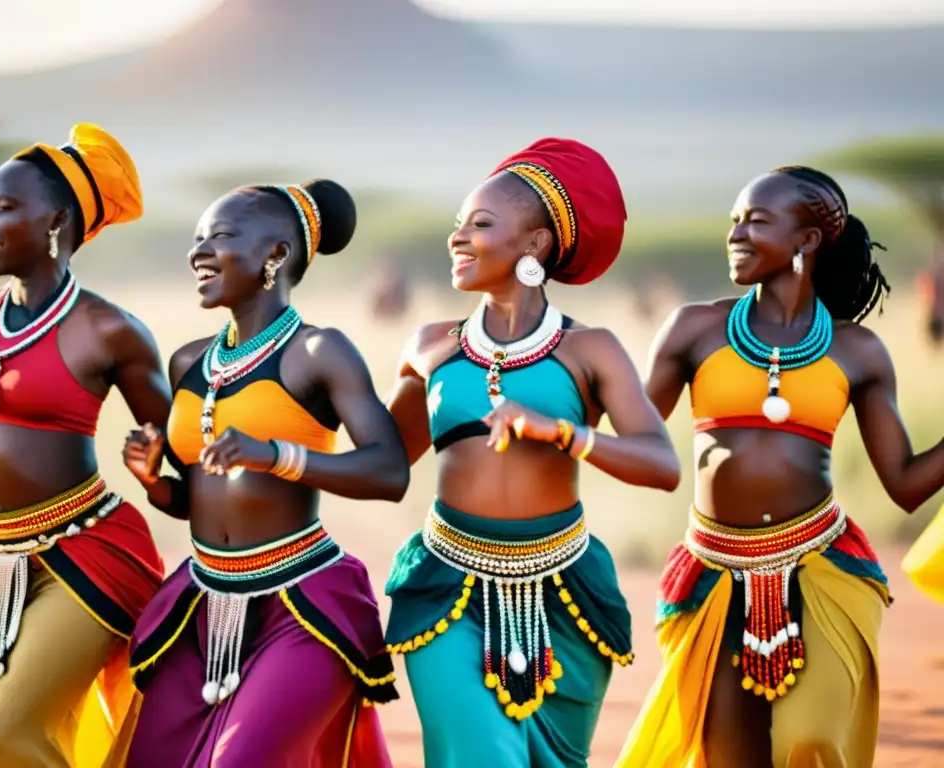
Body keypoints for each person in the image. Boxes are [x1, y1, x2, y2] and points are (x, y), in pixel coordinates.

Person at [615, 166, 944, 768]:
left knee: (808, 742)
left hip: (824, 570)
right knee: (727, 759)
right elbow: (635, 433)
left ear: (807, 240)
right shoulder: (695, 329)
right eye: (734, 221)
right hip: (712, 575)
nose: (736, 234)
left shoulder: (858, 350)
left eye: (756, 222)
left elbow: (905, 483)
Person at [383, 137, 681, 768]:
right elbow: (383, 465)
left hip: (567, 595)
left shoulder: (590, 350)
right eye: (457, 226)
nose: (457, 239)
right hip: (447, 592)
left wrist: (565, 433)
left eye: (480, 224)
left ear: (535, 246)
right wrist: (279, 450)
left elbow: (662, 464)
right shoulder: (430, 346)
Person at [116, 179, 408, 767]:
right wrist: (154, 481)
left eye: (220, 237)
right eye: (197, 238)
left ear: (275, 255)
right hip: (202, 600)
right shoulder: (188, 361)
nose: (198, 252)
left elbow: (389, 470)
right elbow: (195, 499)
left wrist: (278, 455)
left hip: (300, 601)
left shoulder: (320, 351)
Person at [0, 124, 168, 767]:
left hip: (84, 556)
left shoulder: (111, 332)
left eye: (4, 207)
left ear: (57, 220)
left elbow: (185, 457)